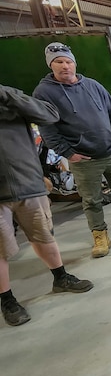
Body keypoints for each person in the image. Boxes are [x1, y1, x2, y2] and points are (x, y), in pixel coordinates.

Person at [33, 42, 111, 258]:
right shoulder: (44, 92)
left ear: (74, 63)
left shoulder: (92, 85)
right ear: (50, 65)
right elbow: (47, 128)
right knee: (91, 200)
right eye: (59, 62)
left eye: (68, 61)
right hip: (83, 158)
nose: (65, 66)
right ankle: (100, 234)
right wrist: (69, 153)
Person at [0, 84, 94, 327]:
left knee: (43, 236)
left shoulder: (11, 98)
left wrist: (7, 94)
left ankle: (60, 277)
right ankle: (7, 300)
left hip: (27, 185)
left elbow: (49, 114)